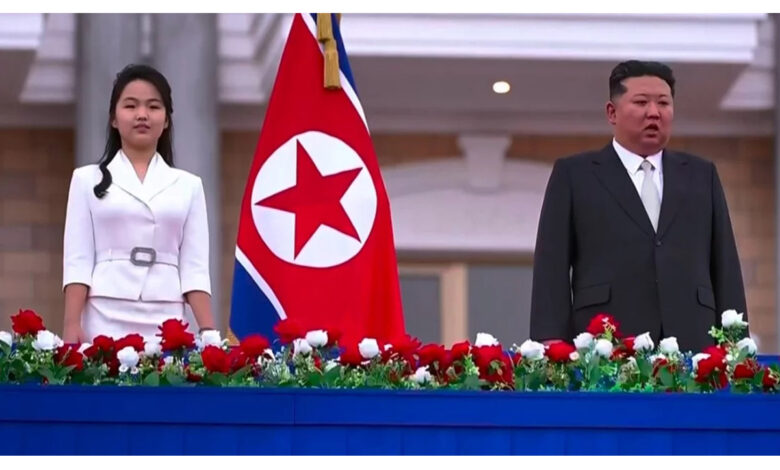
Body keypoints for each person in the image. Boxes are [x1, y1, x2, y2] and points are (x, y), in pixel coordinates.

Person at [529, 60, 747, 353]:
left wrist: (736, 343)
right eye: (642, 102)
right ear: (612, 112)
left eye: (663, 103)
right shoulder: (575, 174)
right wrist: (551, 341)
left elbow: (725, 263)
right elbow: (551, 263)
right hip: (606, 344)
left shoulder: (701, 175)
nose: (654, 112)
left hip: (693, 341)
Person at [62, 64, 216, 343]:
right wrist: (72, 323)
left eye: (153, 107)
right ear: (113, 118)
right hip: (104, 311)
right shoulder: (85, 180)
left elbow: (194, 267)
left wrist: (207, 331)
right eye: (131, 106)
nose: (142, 115)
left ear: (166, 120)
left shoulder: (189, 186)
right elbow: (78, 260)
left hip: (167, 314)